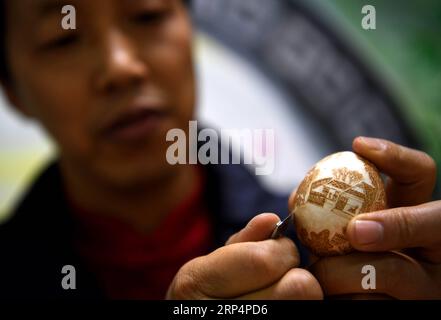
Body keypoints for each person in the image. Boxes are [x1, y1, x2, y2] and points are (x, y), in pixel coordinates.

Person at [0, 0, 440, 300]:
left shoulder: (337, 257)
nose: (121, 66)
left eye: (147, 14)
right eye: (63, 37)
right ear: (13, 91)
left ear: (189, 28)